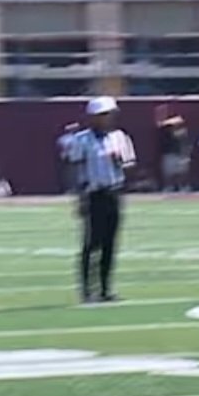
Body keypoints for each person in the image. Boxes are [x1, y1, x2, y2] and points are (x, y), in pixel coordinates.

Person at [68, 96, 136, 304]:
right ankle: (88, 290)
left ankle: (106, 289)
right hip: (94, 194)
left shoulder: (120, 137)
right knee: (91, 244)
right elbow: (75, 169)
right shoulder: (81, 140)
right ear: (94, 117)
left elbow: (130, 165)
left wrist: (120, 162)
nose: (109, 118)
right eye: (105, 115)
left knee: (110, 243)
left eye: (110, 114)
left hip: (113, 193)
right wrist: (80, 198)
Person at [156, 108, 189, 192]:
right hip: (169, 154)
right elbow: (159, 124)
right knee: (169, 172)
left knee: (181, 172)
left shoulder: (182, 132)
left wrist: (186, 155)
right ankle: (169, 187)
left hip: (180, 154)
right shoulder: (165, 132)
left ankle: (181, 186)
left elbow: (183, 142)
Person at [57, 122, 80, 194]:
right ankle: (69, 189)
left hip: (78, 158)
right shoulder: (64, 138)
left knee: (77, 174)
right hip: (67, 159)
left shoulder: (80, 137)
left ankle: (77, 189)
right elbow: (61, 148)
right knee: (69, 175)